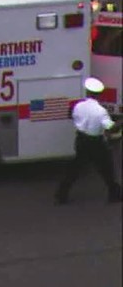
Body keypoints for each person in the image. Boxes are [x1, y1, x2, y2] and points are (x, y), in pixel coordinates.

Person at [54, 77, 123, 205]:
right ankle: (114, 194)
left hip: (81, 140)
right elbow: (111, 127)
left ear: (87, 92)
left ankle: (61, 194)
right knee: (107, 168)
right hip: (96, 143)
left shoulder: (78, 105)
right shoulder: (100, 111)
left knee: (75, 168)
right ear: (99, 94)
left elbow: (71, 115)